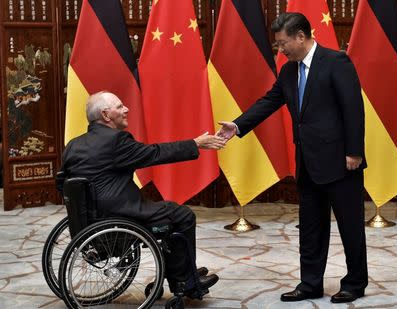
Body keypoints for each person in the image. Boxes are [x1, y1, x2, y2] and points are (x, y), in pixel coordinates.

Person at [217, 13, 368, 303]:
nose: (280, 50)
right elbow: (269, 101)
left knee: (350, 226)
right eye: (277, 45)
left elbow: (353, 108)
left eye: (283, 43)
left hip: (340, 160)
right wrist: (237, 125)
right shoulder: (289, 71)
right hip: (307, 163)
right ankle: (310, 283)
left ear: (301, 36)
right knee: (310, 227)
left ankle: (355, 283)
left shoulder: (336, 61)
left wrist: (354, 152)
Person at [58, 91, 225, 296]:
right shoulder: (116, 140)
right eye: (119, 107)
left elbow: (62, 184)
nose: (126, 109)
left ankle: (180, 270)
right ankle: (185, 281)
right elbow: (154, 153)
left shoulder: (73, 145)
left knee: (167, 211)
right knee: (182, 215)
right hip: (121, 217)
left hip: (90, 223)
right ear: (106, 115)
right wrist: (196, 143)